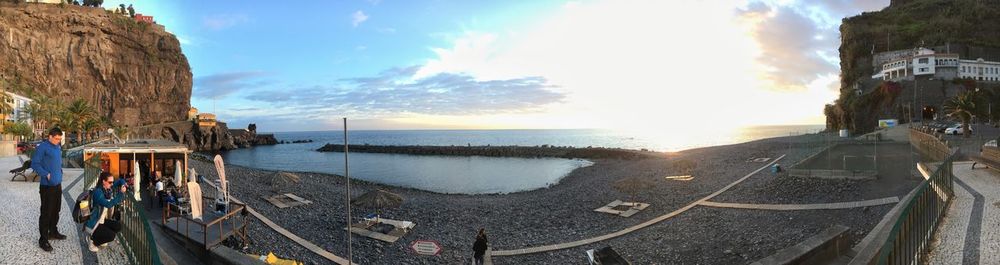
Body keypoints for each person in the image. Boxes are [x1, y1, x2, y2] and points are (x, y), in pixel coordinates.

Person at [31, 128, 64, 252]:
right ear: (50, 136)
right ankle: (43, 240)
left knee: (56, 210)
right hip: (47, 186)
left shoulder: (57, 147)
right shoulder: (42, 147)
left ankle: (53, 232)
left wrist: (60, 172)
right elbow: (35, 164)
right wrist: (46, 174)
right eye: (56, 139)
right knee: (46, 213)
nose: (58, 141)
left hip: (57, 185)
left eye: (60, 139)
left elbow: (56, 162)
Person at [84, 172, 126, 252]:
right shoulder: (98, 192)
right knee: (111, 236)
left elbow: (120, 180)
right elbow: (109, 204)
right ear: (104, 181)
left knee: (118, 226)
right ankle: (92, 240)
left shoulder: (107, 188)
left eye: (112, 182)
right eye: (110, 182)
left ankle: (99, 237)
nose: (112, 184)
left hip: (101, 220)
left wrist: (123, 184)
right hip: (93, 222)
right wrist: (121, 194)